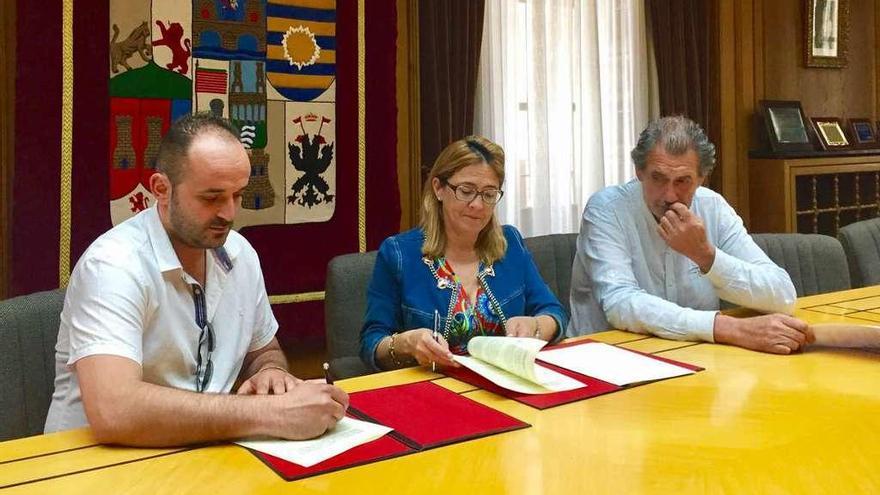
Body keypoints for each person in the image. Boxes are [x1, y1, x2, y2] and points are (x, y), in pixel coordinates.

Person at [44, 113, 348, 446]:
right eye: (211, 197)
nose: (229, 214)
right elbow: (115, 411)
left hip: (198, 453)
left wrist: (269, 372)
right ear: (161, 189)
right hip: (95, 468)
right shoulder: (113, 266)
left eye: (238, 195)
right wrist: (271, 414)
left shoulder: (239, 253)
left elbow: (263, 351)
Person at [568, 116, 814, 354]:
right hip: (609, 359)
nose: (669, 196)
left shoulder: (713, 207)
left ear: (701, 178)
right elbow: (620, 303)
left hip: (693, 355)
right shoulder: (607, 209)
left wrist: (706, 256)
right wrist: (726, 328)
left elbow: (782, 295)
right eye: (658, 178)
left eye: (683, 181)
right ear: (639, 171)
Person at [360, 136, 568, 371]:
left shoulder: (509, 243)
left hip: (505, 385)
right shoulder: (399, 253)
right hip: (431, 389)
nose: (477, 205)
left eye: (489, 194)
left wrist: (536, 325)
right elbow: (371, 343)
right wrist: (406, 343)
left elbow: (554, 312)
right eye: (466, 191)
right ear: (438, 188)